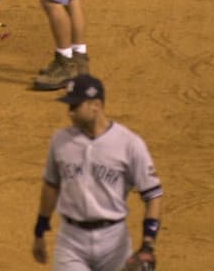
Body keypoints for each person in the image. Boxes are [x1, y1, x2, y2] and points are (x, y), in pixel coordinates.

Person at [32, 75, 164, 271]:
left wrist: (148, 244)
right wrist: (40, 228)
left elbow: (153, 194)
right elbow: (51, 186)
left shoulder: (129, 144)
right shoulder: (60, 141)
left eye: (75, 106)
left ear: (96, 105)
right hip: (71, 241)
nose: (70, 112)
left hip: (114, 243)